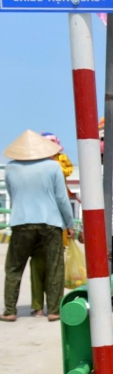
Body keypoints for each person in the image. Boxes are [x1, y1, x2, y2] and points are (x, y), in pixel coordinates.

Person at [3, 131, 75, 323]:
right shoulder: (53, 167)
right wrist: (70, 224)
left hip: (21, 222)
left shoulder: (10, 169)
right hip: (50, 223)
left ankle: (10, 310)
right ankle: (53, 310)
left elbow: (13, 194)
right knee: (54, 267)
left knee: (14, 268)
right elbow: (62, 199)